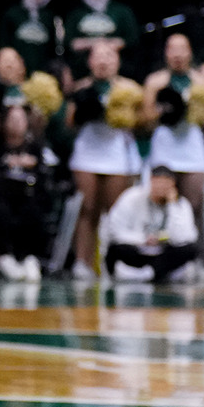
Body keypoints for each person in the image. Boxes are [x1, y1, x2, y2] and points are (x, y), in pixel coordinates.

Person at [66, 43, 144, 281]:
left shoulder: (129, 89)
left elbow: (141, 123)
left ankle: (116, 261)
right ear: (90, 63)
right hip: (88, 152)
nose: (103, 62)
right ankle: (83, 262)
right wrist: (83, 111)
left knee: (115, 210)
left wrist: (124, 117)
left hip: (116, 153)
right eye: (98, 57)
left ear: (117, 62)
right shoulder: (81, 87)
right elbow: (69, 124)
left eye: (108, 57)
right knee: (87, 208)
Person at [0, 102, 60, 282]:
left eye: (20, 119)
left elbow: (47, 178)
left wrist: (31, 166)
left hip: (30, 199)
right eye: (12, 119)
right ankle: (5, 257)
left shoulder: (37, 149)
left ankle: (30, 257)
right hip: (0, 199)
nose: (16, 124)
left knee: (33, 211)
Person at [143, 34, 204, 218]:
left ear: (189, 52)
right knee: (160, 206)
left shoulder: (201, 83)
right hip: (164, 148)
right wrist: (163, 111)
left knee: (193, 206)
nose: (177, 54)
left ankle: (188, 245)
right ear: (166, 53)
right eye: (172, 49)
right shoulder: (155, 82)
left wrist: (196, 110)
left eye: (182, 49)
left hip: (192, 148)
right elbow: (144, 121)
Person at [105, 166, 203, 282]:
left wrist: (172, 206)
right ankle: (153, 272)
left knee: (189, 250)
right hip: (138, 249)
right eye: (157, 182)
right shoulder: (131, 197)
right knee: (116, 249)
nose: (160, 188)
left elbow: (186, 237)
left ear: (173, 185)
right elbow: (114, 230)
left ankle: (150, 272)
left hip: (164, 252)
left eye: (165, 184)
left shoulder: (180, 204)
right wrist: (142, 239)